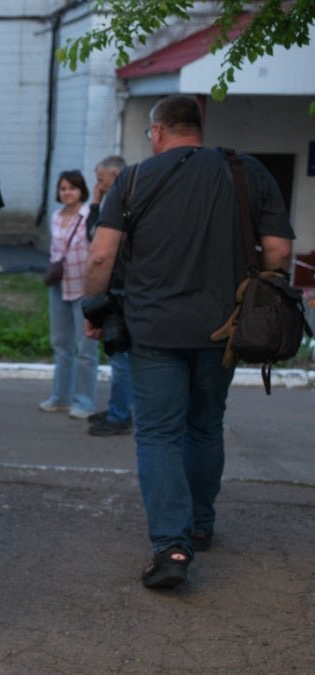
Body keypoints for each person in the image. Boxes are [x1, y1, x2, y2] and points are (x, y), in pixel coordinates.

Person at [84, 95, 293, 589]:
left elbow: (100, 255)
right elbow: (281, 250)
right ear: (198, 128)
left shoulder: (133, 180)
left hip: (153, 329)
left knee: (157, 433)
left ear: (157, 132)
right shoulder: (246, 172)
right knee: (205, 425)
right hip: (226, 329)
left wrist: (94, 310)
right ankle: (200, 524)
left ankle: (171, 546)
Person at [40, 170, 99, 420]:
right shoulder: (55, 216)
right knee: (61, 344)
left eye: (72, 188)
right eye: (63, 188)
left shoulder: (89, 216)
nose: (67, 192)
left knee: (85, 347)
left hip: (84, 288)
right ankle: (61, 398)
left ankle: (84, 402)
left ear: (81, 191)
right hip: (59, 286)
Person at [85, 156, 134, 436]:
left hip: (121, 289)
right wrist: (96, 201)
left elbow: (97, 244)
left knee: (120, 356)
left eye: (102, 181)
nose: (99, 187)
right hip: (123, 288)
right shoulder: (125, 203)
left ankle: (119, 416)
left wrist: (90, 306)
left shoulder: (126, 207)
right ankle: (120, 408)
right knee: (121, 355)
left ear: (115, 175)